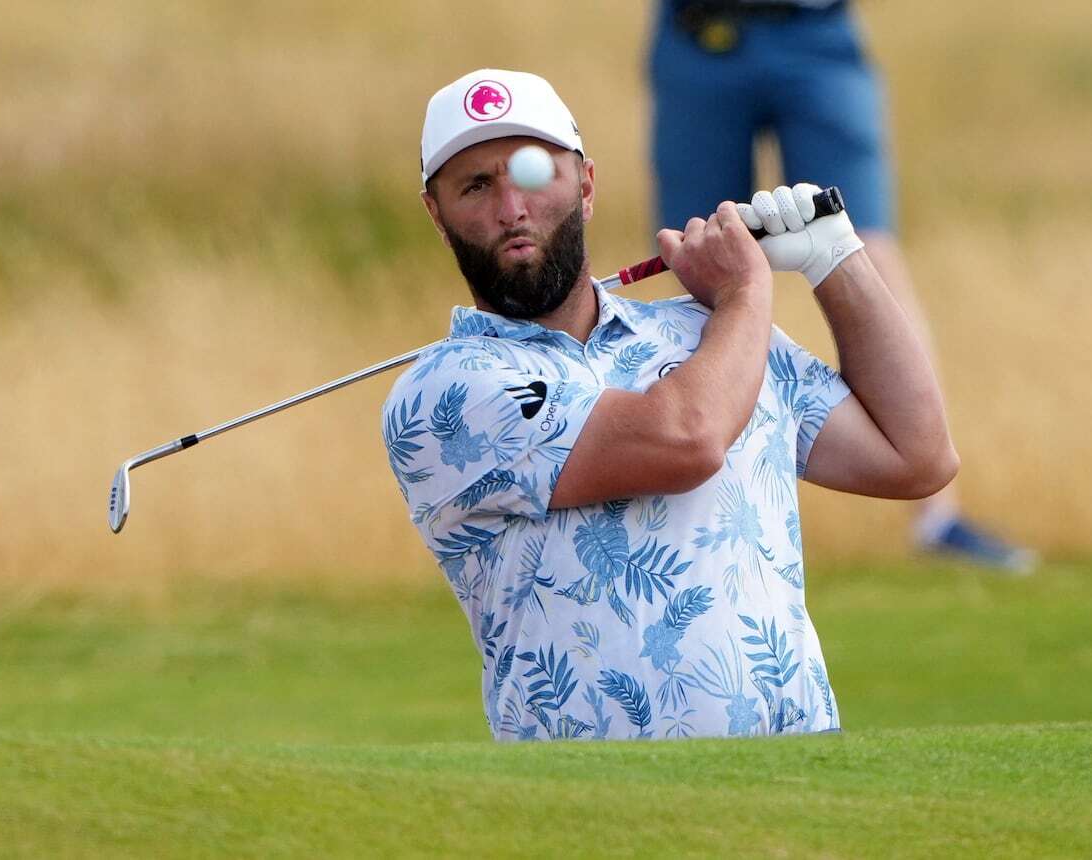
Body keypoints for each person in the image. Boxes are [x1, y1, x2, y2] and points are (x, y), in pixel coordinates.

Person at [381, 68, 957, 741]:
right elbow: (685, 440)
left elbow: (915, 457)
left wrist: (836, 258)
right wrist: (747, 293)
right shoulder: (444, 393)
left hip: (803, 785)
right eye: (475, 186)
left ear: (586, 185)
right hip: (595, 811)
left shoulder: (705, 334)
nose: (512, 207)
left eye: (534, 172)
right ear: (438, 216)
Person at [649, 0, 1035, 570]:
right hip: (697, 33)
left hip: (816, 30)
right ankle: (698, 517)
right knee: (696, 254)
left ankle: (937, 517)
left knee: (863, 247)